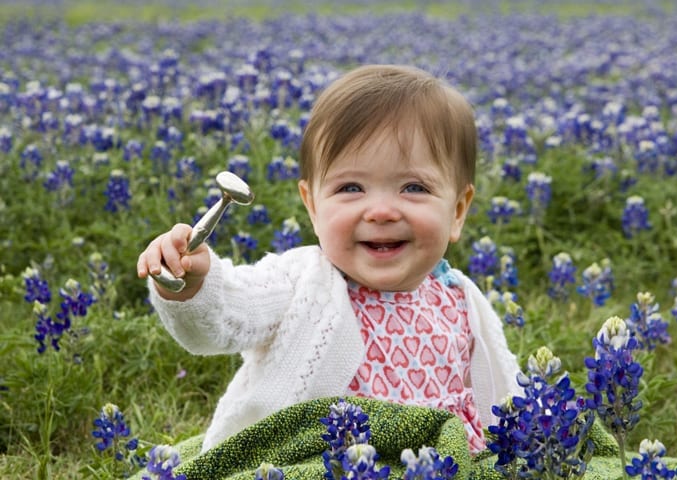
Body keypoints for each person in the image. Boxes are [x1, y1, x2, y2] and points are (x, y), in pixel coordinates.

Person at [137, 64, 521, 454]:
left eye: (413, 187)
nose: (381, 211)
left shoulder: (460, 298)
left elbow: (504, 391)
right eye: (351, 187)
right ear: (313, 206)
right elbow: (226, 315)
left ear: (457, 211)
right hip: (324, 460)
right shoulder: (300, 281)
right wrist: (194, 283)